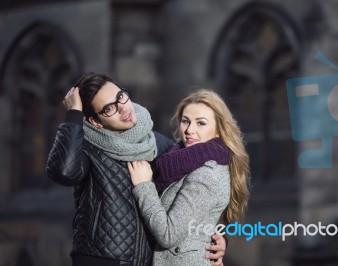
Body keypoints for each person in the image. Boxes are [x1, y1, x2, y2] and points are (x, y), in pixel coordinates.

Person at [46, 73, 226, 266]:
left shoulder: (158, 143)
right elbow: (63, 171)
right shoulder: (87, 147)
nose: (123, 108)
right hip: (102, 259)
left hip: (147, 259)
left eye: (120, 96)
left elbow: (190, 199)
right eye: (109, 108)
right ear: (95, 122)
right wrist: (74, 113)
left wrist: (210, 235)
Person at [128, 89, 250, 265]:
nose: (190, 130)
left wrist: (144, 186)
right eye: (185, 121)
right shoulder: (180, 161)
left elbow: (168, 235)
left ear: (218, 130)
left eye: (201, 123)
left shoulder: (206, 175)